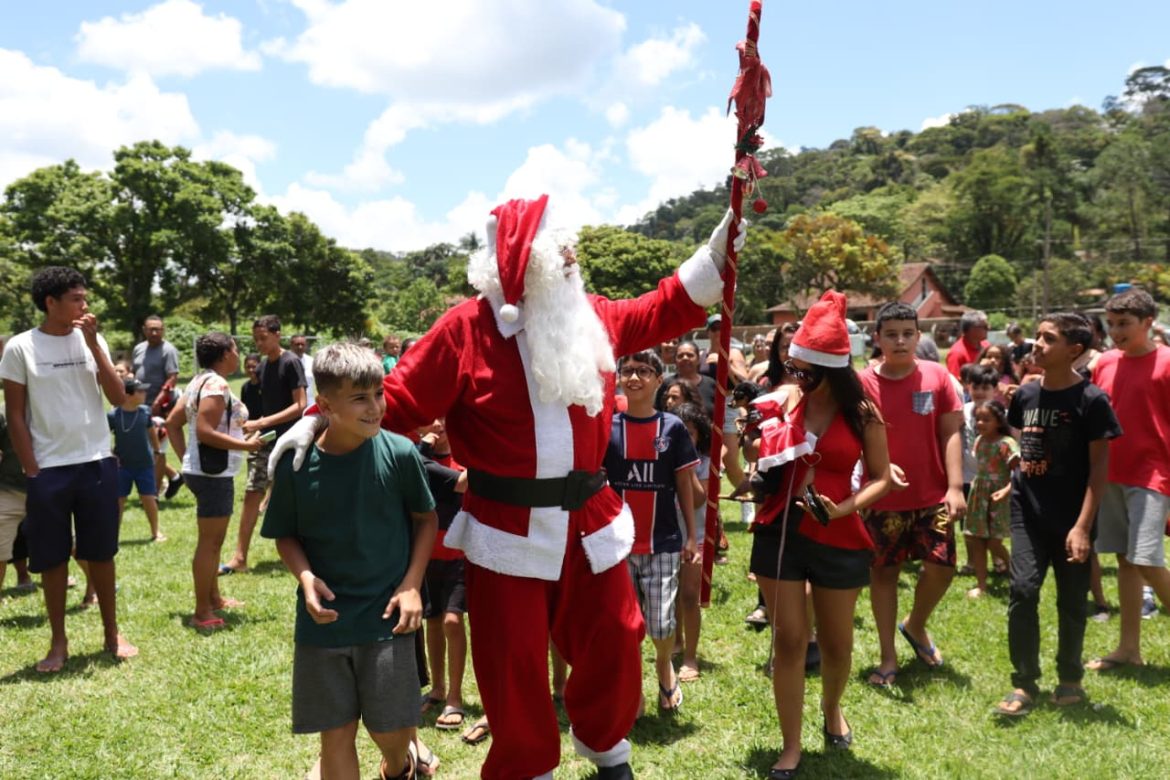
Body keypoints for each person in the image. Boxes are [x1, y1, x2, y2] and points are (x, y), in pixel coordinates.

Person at [273, 194, 743, 779]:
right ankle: (527, 768)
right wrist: (316, 419)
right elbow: (398, 399)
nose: (575, 257)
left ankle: (607, 748)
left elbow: (665, 306)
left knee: (619, 640)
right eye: (562, 250)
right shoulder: (465, 328)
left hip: (590, 518)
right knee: (512, 665)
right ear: (527, 262)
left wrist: (719, 248)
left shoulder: (590, 314)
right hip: (505, 527)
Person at [262, 341, 438, 780]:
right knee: (335, 735)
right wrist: (304, 576)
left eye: (378, 393)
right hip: (325, 622)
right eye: (359, 398)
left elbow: (426, 519)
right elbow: (284, 533)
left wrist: (412, 583)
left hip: (388, 616)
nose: (375, 407)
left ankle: (400, 765)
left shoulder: (399, 453)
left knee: (392, 732)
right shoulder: (297, 465)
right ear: (324, 404)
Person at [747, 291, 892, 779]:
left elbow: (881, 476)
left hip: (840, 535)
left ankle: (832, 709)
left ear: (830, 368)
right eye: (794, 367)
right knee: (788, 641)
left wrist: (843, 507)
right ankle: (790, 746)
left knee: (837, 645)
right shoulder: (783, 404)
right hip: (781, 530)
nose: (796, 377)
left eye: (806, 369)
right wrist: (748, 442)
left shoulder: (863, 413)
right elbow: (753, 461)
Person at [0, 266, 137, 671]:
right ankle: (58, 641)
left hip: (96, 463)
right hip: (49, 472)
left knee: (102, 554)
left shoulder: (93, 339)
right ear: (51, 303)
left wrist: (94, 345)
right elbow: (16, 415)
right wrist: (32, 469)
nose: (85, 305)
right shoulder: (20, 348)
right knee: (53, 558)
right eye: (77, 298)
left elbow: (118, 398)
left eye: (85, 297)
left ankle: (112, 634)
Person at [995, 313, 1120, 715]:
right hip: (1027, 514)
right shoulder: (1025, 396)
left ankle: (1069, 680)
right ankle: (1024, 684)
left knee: (1071, 600)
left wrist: (1083, 527)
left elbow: (1099, 469)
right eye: (1038, 336)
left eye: (1048, 339)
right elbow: (1023, 443)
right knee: (1023, 591)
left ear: (1074, 350)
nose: (1037, 344)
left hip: (1072, 519)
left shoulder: (1092, 400)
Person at [861, 301, 965, 686]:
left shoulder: (937, 377)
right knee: (884, 574)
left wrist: (955, 486)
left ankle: (916, 624)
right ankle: (888, 658)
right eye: (891, 334)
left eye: (908, 333)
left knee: (942, 566)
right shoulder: (862, 382)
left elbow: (951, 431)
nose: (900, 341)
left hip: (932, 495)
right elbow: (854, 437)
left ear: (919, 337)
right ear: (878, 339)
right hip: (880, 498)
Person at [604, 350, 700, 713]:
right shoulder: (608, 428)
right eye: (627, 371)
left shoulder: (672, 428)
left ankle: (664, 664)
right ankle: (633, 689)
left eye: (644, 371)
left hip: (663, 541)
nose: (634, 377)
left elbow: (684, 483)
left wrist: (692, 535)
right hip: (618, 544)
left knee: (661, 624)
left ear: (660, 380)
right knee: (625, 627)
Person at [1087, 289, 1170, 671]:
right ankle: (1129, 649)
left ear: (1148, 323)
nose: (1115, 331)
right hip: (1111, 474)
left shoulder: (1167, 362)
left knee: (1146, 557)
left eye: (1124, 324)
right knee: (1124, 560)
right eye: (1111, 323)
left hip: (1153, 474)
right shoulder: (1103, 363)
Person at [165, 333, 260, 629]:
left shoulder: (198, 381)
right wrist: (245, 446)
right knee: (210, 542)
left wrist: (186, 460)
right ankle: (202, 611)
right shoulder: (217, 385)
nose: (238, 354)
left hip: (203, 470)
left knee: (214, 540)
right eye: (235, 349)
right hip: (213, 473)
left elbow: (172, 423)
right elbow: (205, 431)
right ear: (224, 355)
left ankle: (214, 598)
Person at [221, 315, 307, 575]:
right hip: (265, 440)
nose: (258, 343)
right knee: (252, 493)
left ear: (277, 334)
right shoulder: (262, 368)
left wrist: (263, 422)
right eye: (256, 338)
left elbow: (300, 405)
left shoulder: (291, 362)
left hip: (291, 439)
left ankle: (308, 554)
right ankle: (239, 557)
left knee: (297, 499)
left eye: (263, 338)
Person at [417, 419, 470, 732]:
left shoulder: (466, 458)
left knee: (453, 620)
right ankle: (437, 689)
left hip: (459, 556)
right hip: (427, 557)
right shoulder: (416, 457)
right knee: (433, 622)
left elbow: (464, 483)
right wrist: (423, 443)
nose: (438, 424)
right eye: (430, 418)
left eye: (446, 418)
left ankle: (455, 695)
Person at [671, 401, 711, 683]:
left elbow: (699, 498)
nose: (685, 439)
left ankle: (690, 657)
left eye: (690, 433)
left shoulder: (705, 463)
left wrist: (686, 467)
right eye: (679, 433)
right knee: (671, 596)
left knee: (688, 596)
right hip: (668, 537)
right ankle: (677, 640)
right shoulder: (662, 459)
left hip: (695, 538)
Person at [963, 400, 1018, 599]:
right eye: (978, 419)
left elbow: (1018, 473)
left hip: (998, 496)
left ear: (999, 421)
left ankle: (1014, 570)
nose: (980, 423)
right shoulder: (979, 441)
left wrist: (1006, 491)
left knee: (994, 542)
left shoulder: (1006, 444)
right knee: (977, 540)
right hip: (980, 493)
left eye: (986, 419)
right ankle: (981, 585)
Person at [131, 315, 182, 495]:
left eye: (158, 329)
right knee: (145, 447)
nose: (154, 332)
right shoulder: (138, 349)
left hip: (160, 407)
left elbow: (172, 377)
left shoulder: (168, 350)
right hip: (139, 404)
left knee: (157, 448)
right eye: (151, 329)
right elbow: (134, 373)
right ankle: (174, 476)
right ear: (144, 330)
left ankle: (153, 492)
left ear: (163, 330)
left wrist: (158, 402)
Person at [108, 377, 164, 542]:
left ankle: (155, 531)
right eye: (140, 391)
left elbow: (151, 431)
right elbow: (102, 436)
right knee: (119, 500)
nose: (144, 394)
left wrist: (157, 450)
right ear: (128, 394)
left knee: (148, 497)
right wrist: (111, 454)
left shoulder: (145, 411)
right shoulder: (113, 415)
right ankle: (113, 535)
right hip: (122, 465)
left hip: (144, 463)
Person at [0, 403, 28, 590]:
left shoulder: (53, 406)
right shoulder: (3, 413)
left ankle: (94, 590)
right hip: (9, 490)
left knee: (72, 544)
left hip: (48, 488)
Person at [945, 310, 989, 378]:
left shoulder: (986, 346)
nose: (988, 328)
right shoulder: (956, 353)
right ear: (971, 329)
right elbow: (954, 382)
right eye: (985, 326)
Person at [290, 334, 316, 407]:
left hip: (309, 404)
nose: (300, 347)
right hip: (290, 405)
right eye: (297, 344)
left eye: (302, 344)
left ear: (306, 346)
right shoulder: (285, 361)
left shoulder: (312, 362)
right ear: (291, 345)